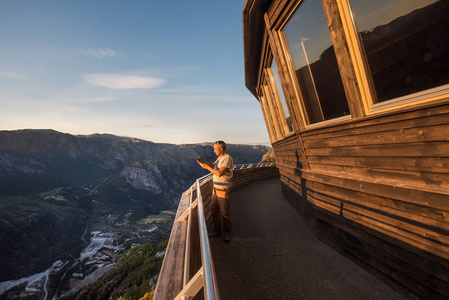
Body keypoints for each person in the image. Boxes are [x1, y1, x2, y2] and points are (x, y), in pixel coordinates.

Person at [197, 140, 234, 243]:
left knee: (224, 212)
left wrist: (207, 167)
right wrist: (204, 164)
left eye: (215, 149)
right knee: (213, 210)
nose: (214, 151)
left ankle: (227, 233)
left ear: (221, 149)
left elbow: (219, 173)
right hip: (216, 189)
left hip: (223, 189)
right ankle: (217, 231)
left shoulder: (227, 158)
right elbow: (214, 167)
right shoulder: (220, 158)